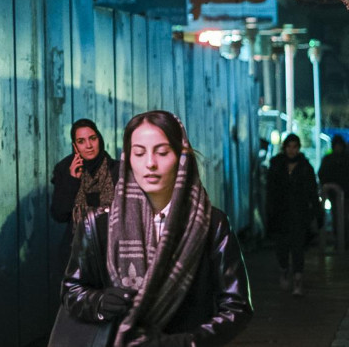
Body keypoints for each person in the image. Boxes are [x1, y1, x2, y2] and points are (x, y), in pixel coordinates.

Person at [60, 111, 252, 346]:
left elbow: (237, 307)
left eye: (162, 152)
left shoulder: (211, 224)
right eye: (139, 153)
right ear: (127, 159)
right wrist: (98, 303)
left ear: (181, 157)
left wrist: (187, 342)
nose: (150, 163)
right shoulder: (97, 224)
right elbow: (72, 291)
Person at [51, 119, 119, 262]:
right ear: (75, 146)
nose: (89, 146)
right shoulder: (64, 169)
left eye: (92, 139)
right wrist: (72, 181)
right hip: (76, 253)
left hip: (112, 249)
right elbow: (59, 215)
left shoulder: (117, 169)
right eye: (81, 141)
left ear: (99, 139)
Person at [267, 133, 320, 296]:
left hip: (299, 214)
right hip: (280, 214)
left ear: (298, 148)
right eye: (289, 146)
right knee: (282, 249)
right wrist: (269, 212)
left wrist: (316, 213)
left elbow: (312, 191)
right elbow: (270, 192)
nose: (292, 150)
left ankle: (297, 280)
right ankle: (284, 269)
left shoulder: (305, 167)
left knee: (298, 249)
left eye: (295, 147)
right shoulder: (276, 165)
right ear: (285, 147)